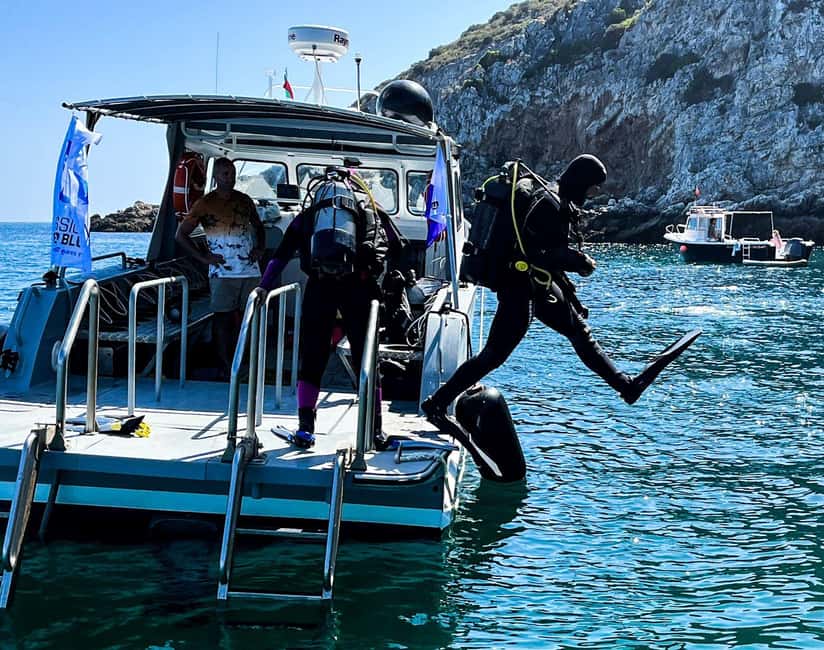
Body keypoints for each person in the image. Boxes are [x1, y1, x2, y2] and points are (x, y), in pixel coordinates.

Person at [422, 155, 700, 447]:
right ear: (581, 181)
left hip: (536, 284)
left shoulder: (555, 200)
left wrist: (572, 294)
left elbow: (546, 257)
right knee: (494, 355)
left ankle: (625, 386)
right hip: (520, 288)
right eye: (593, 188)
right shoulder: (550, 206)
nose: (593, 194)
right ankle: (437, 402)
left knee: (580, 333)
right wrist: (578, 261)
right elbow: (539, 253)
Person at [258, 167, 395, 448]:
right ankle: (375, 430)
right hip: (359, 288)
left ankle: (306, 429)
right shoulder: (370, 212)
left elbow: (280, 256)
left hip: (320, 288)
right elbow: (398, 246)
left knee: (312, 358)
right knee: (366, 360)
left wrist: (263, 286)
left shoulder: (309, 216)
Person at [175, 157, 264, 378]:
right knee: (222, 319)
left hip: (250, 270)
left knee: (251, 318)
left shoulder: (245, 200)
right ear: (215, 177)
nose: (230, 178)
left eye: (233, 174)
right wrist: (204, 258)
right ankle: (225, 367)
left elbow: (259, 227)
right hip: (222, 273)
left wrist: (260, 249)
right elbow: (180, 235)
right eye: (225, 174)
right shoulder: (205, 203)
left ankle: (247, 364)